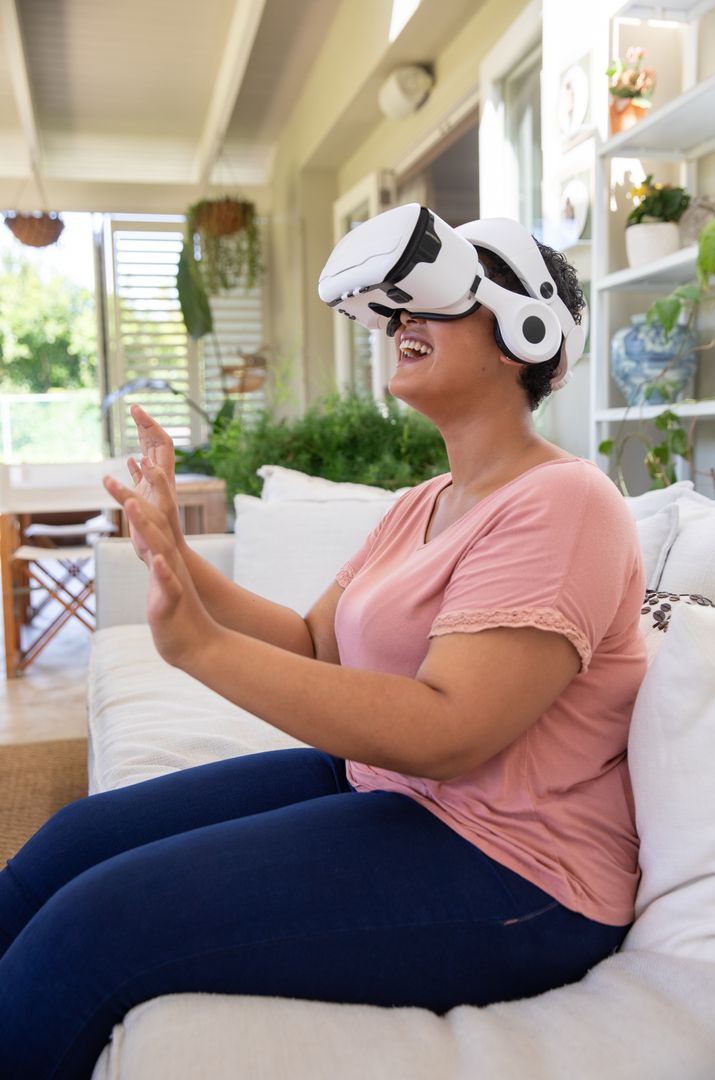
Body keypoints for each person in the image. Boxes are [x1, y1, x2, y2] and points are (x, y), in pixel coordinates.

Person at [0, 211, 646, 1079]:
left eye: (445, 294)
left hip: (518, 870)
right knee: (67, 850)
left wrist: (201, 649)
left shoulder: (567, 503)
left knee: (93, 931)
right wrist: (176, 557)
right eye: (400, 304)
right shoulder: (420, 502)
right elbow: (314, 640)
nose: (404, 317)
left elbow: (449, 731)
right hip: (386, 786)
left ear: (527, 335)